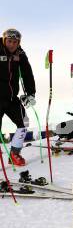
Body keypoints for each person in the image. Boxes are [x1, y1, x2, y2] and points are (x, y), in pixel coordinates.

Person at [0, 29, 36, 166]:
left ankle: (14, 154)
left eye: (15, 42)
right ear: (4, 40)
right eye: (9, 41)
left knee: (24, 122)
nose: (12, 45)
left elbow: (27, 74)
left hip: (11, 98)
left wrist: (31, 93)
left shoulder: (20, 54)